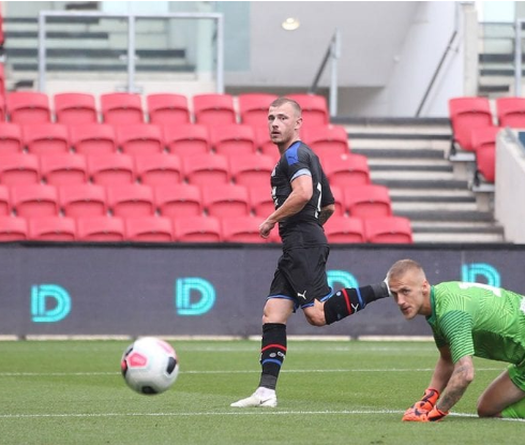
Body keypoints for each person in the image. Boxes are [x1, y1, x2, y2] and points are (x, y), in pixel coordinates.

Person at [231, 97, 390, 408]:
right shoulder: (308, 156)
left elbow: (304, 193)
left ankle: (385, 287)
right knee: (273, 314)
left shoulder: (294, 155)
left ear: (298, 123)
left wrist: (273, 220)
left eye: (282, 118)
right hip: (301, 242)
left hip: (302, 243)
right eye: (271, 118)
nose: (275, 123)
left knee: (317, 315)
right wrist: (308, 230)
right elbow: (328, 205)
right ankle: (266, 391)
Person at [386, 258, 525, 422]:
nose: (400, 301)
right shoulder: (439, 300)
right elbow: (447, 358)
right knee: (486, 408)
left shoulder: (450, 314)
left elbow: (465, 373)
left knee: (488, 409)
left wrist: (434, 415)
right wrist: (426, 401)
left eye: (405, 291)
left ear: (424, 286)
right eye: (394, 294)